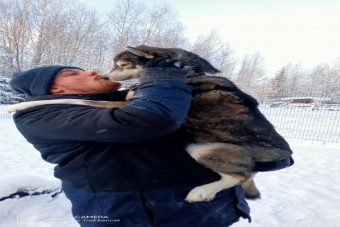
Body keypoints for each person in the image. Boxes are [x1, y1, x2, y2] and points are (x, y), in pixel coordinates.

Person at [9, 58, 251, 227]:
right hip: (140, 214)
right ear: (55, 89)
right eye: (74, 73)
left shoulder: (133, 98)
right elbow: (148, 120)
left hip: (201, 209)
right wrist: (163, 77)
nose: (91, 71)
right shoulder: (39, 114)